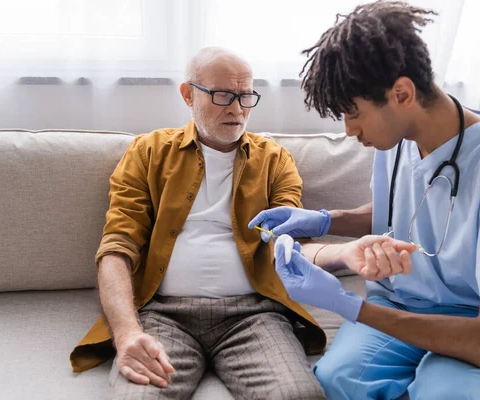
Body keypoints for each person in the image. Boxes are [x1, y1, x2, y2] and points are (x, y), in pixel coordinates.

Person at [249, 2, 480, 399]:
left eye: (354, 114)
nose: (350, 131)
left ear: (402, 93)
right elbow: (410, 211)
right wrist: (325, 220)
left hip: (476, 319)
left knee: (443, 394)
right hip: (402, 300)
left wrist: (353, 307)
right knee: (335, 380)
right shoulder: (396, 139)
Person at [69, 47, 329, 400]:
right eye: (222, 95)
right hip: (163, 316)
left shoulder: (275, 160)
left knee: (299, 396)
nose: (237, 109)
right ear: (188, 94)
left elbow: (288, 238)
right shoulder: (149, 152)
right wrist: (128, 333)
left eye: (246, 96)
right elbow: (116, 248)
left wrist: (338, 254)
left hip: (254, 316)